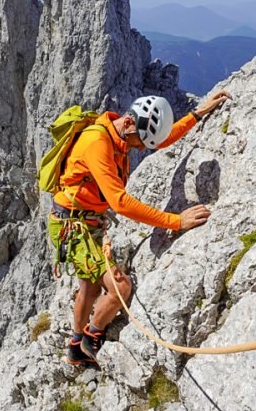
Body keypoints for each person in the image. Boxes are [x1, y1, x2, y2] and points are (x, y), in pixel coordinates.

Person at [47, 90, 233, 368]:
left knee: (89, 284)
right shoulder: (97, 142)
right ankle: (91, 337)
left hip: (81, 221)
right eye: (139, 142)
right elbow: (120, 203)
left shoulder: (121, 134)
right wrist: (175, 221)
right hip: (72, 226)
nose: (141, 148)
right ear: (130, 124)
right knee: (119, 287)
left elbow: (157, 142)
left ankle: (76, 346)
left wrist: (196, 115)